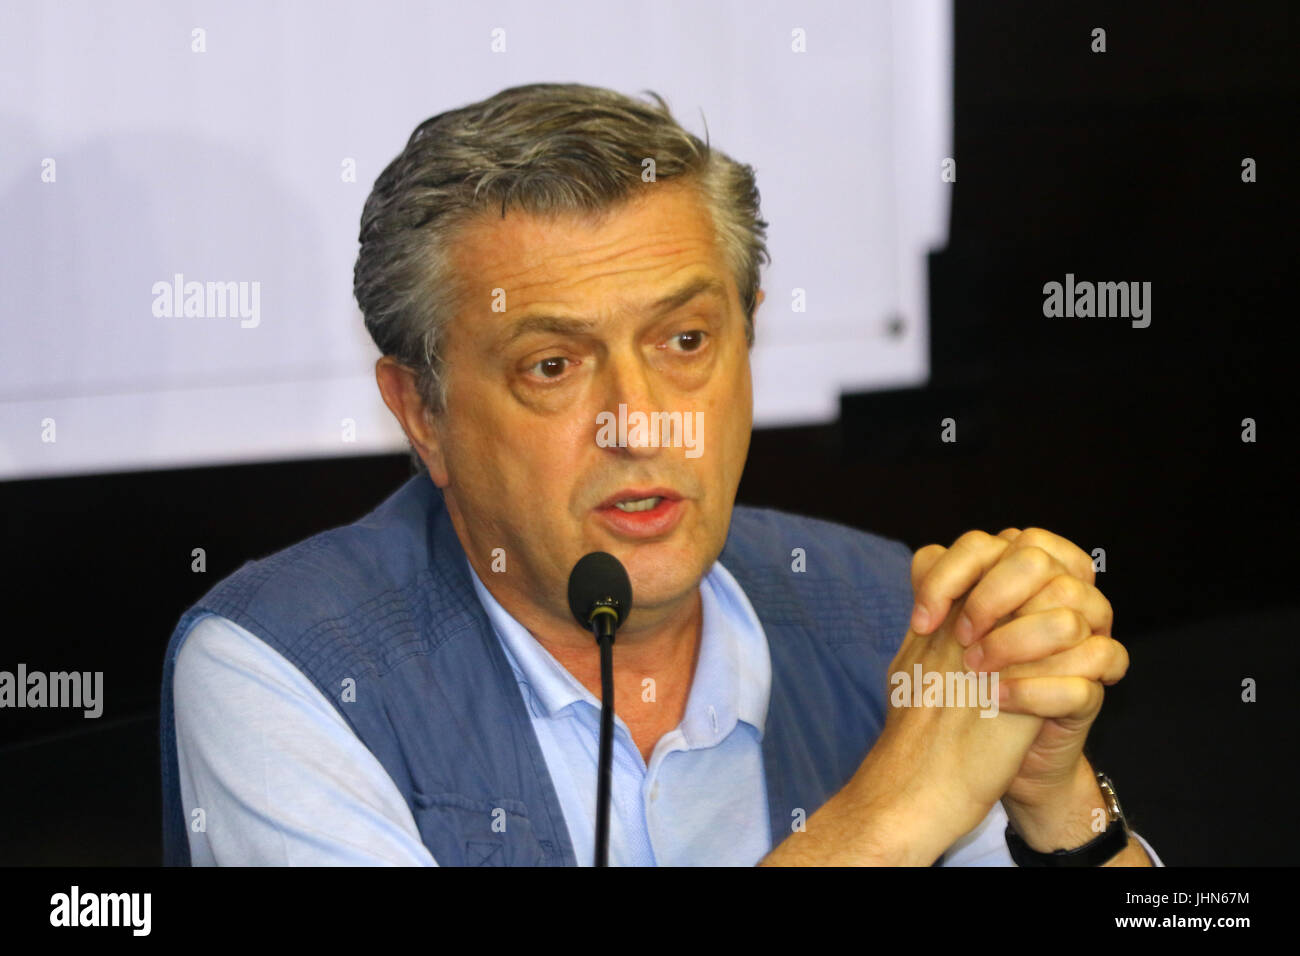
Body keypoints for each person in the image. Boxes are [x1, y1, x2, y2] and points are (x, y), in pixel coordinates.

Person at [161, 83, 1159, 866]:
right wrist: (889, 819)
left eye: (685, 339)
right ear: (423, 410)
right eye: (552, 365)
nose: (641, 421)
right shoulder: (285, 664)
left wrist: (1055, 805)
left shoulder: (889, 606)